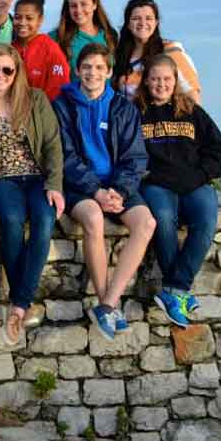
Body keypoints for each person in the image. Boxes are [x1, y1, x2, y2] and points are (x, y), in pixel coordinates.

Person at [52, 43, 155, 340]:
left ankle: (108, 303)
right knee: (94, 219)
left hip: (118, 186)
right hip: (79, 186)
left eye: (99, 67)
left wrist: (119, 191)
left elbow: (135, 158)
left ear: (109, 72)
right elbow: (65, 157)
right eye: (86, 67)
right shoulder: (62, 105)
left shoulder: (123, 108)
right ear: (77, 70)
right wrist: (96, 192)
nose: (92, 73)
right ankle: (104, 303)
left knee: (146, 223)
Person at [0, 45, 65, 345]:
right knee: (11, 221)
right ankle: (23, 302)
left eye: (7, 70)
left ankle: (19, 302)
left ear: (17, 72)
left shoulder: (35, 99)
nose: (0, 75)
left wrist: (55, 185)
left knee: (44, 220)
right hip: (0, 178)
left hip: (35, 177)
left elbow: (52, 144)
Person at [137, 54, 221, 327]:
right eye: (155, 79)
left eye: (167, 79)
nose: (161, 84)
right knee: (163, 218)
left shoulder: (192, 111)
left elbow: (218, 150)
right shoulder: (136, 112)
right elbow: (129, 153)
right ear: (146, 81)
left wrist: (201, 174)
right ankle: (179, 292)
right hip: (156, 183)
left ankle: (174, 289)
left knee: (206, 220)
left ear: (175, 81)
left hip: (194, 182)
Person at [113, 0, 202, 103]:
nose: (142, 23)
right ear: (128, 24)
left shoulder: (170, 51)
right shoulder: (119, 54)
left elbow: (191, 92)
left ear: (156, 22)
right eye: (136, 18)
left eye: (148, 18)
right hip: (127, 113)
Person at [11, 0, 70, 100]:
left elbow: (59, 89)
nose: (22, 22)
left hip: (42, 109)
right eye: (17, 17)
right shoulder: (10, 49)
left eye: (29, 18)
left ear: (40, 20)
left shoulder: (50, 49)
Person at [50, 0, 118, 67]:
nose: (78, 10)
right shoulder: (56, 37)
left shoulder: (110, 35)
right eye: (73, 6)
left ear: (94, 4)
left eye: (83, 4)